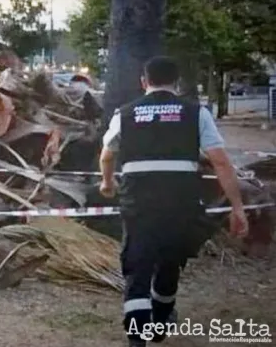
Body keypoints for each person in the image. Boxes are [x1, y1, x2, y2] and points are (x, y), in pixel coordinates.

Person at [98, 56, 249, 347]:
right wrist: (237, 207)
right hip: (180, 203)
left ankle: (138, 340)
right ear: (177, 83)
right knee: (170, 261)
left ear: (144, 82)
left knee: (138, 269)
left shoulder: (125, 113)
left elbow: (107, 154)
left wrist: (107, 182)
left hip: (138, 203)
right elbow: (219, 161)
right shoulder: (195, 112)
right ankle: (161, 319)